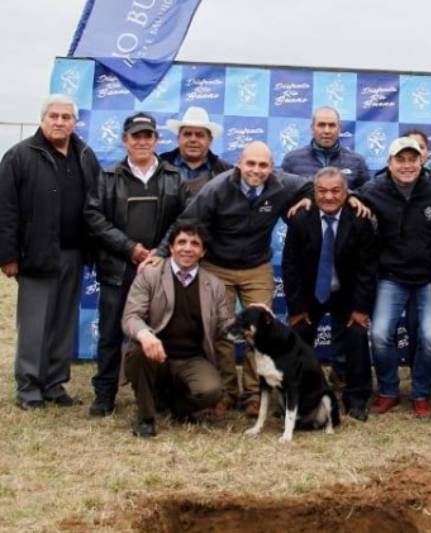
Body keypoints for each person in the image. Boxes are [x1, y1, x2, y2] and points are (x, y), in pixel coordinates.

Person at [155, 142, 316, 415]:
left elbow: (315, 185)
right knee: (222, 331)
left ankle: (253, 395)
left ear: (272, 168)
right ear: (239, 164)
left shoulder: (283, 183)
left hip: (257, 266)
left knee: (263, 334)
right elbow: (186, 221)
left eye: (263, 165)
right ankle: (227, 392)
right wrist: (160, 254)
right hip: (218, 266)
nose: (256, 170)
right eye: (250, 164)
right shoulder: (217, 187)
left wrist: (309, 196)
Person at [84, 112, 191, 417]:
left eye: (148, 136)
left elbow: (183, 219)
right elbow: (93, 217)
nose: (142, 141)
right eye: (136, 136)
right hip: (118, 269)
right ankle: (104, 394)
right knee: (109, 334)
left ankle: (156, 392)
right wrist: (130, 248)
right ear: (125, 140)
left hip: (158, 270)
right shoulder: (106, 177)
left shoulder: (174, 177)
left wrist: (158, 252)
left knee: (159, 331)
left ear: (157, 140)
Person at [357, 137, 431, 417]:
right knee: (381, 334)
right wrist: (350, 198)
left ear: (422, 161)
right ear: (389, 163)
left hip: (429, 277)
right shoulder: (374, 189)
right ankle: (388, 391)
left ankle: (421, 393)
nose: (407, 165)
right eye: (400, 159)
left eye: (413, 159)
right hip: (391, 277)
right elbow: (347, 195)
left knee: (430, 336)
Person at [0, 94, 100, 410]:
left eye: (66, 117)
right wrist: (7, 255)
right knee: (35, 325)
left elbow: (96, 204)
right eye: (53, 116)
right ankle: (29, 388)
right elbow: (5, 210)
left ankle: (55, 385)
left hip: (74, 254)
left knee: (63, 323)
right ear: (43, 119)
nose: (59, 122)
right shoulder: (19, 156)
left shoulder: (85, 155)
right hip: (35, 255)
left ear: (75, 122)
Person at [282, 167, 377, 421]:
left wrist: (360, 309)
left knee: (357, 334)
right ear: (314, 193)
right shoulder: (301, 218)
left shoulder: (359, 219)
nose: (328, 197)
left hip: (346, 293)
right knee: (298, 336)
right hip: (312, 294)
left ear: (346, 193)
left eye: (335, 191)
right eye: (322, 191)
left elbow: (367, 270)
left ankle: (356, 398)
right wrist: (297, 309)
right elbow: (290, 266)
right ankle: (297, 397)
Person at [122, 221, 231, 437]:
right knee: (136, 351)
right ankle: (146, 417)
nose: (188, 248)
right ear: (171, 248)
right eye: (181, 242)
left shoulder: (215, 284)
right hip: (156, 353)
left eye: (195, 244)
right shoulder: (150, 275)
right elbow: (131, 316)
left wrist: (253, 318)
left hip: (191, 359)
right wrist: (145, 335)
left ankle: (174, 404)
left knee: (211, 392)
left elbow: (224, 326)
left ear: (203, 252)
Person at [281, 106, 371, 188]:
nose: (327, 131)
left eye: (332, 125)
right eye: (321, 125)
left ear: (339, 129)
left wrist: (350, 195)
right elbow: (285, 196)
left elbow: (364, 196)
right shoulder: (292, 160)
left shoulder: (357, 161)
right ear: (312, 128)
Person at [160, 106, 232, 194]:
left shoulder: (225, 172)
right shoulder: (159, 166)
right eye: (187, 134)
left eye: (199, 135)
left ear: (210, 140)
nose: (193, 139)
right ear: (178, 138)